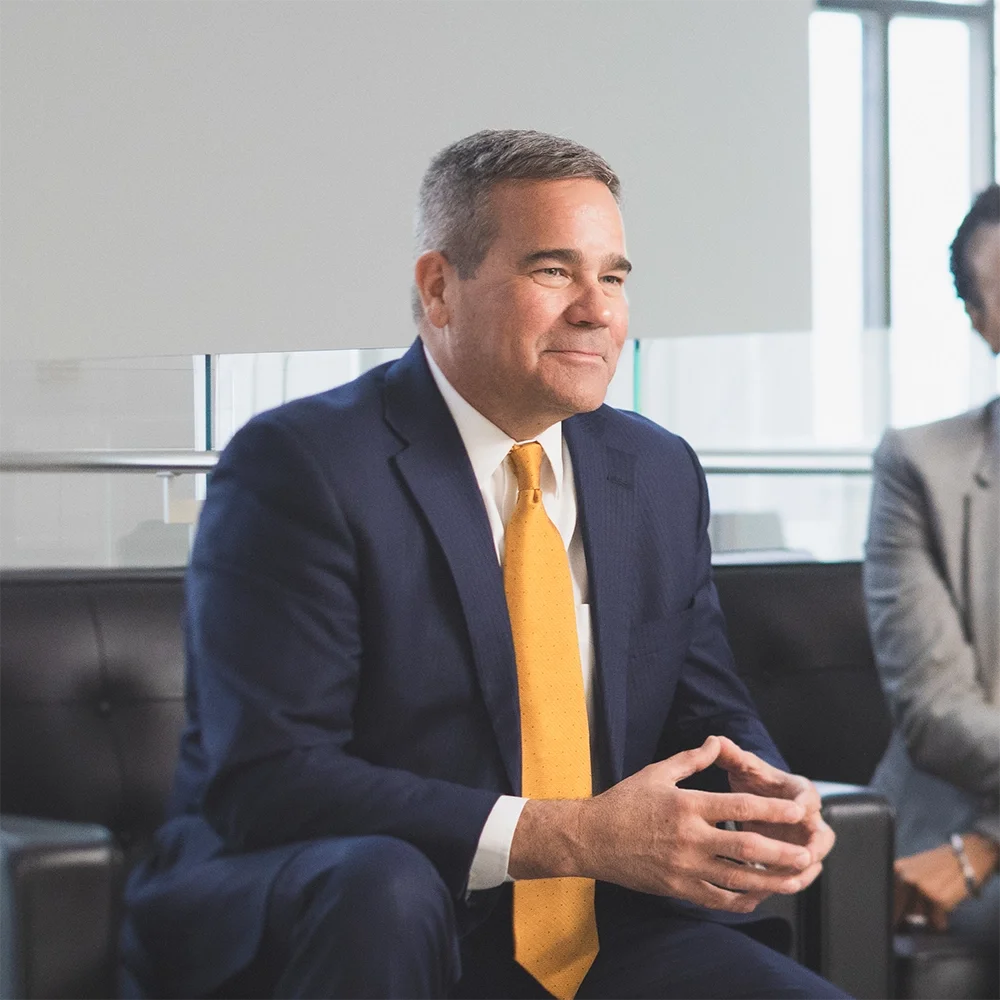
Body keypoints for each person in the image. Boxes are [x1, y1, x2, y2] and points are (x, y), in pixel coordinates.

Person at [122, 129, 845, 999]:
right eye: (553, 271)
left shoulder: (653, 470)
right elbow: (268, 781)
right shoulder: (301, 464)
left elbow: (708, 711)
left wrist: (769, 806)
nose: (597, 309)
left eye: (612, 276)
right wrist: (574, 835)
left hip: (596, 928)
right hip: (365, 914)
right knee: (383, 889)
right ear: (439, 288)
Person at [866, 183, 1000, 944]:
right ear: (983, 324)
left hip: (974, 847)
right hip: (941, 822)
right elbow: (937, 712)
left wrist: (989, 841)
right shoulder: (921, 466)